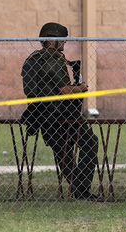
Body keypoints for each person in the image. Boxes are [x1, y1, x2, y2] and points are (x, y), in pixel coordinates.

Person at [20, 22, 99, 201]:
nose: (64, 43)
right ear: (51, 41)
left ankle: (78, 189)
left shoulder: (32, 60)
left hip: (39, 115)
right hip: (62, 115)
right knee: (90, 143)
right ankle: (82, 189)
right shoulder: (54, 61)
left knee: (62, 151)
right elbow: (64, 90)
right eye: (61, 40)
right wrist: (81, 88)